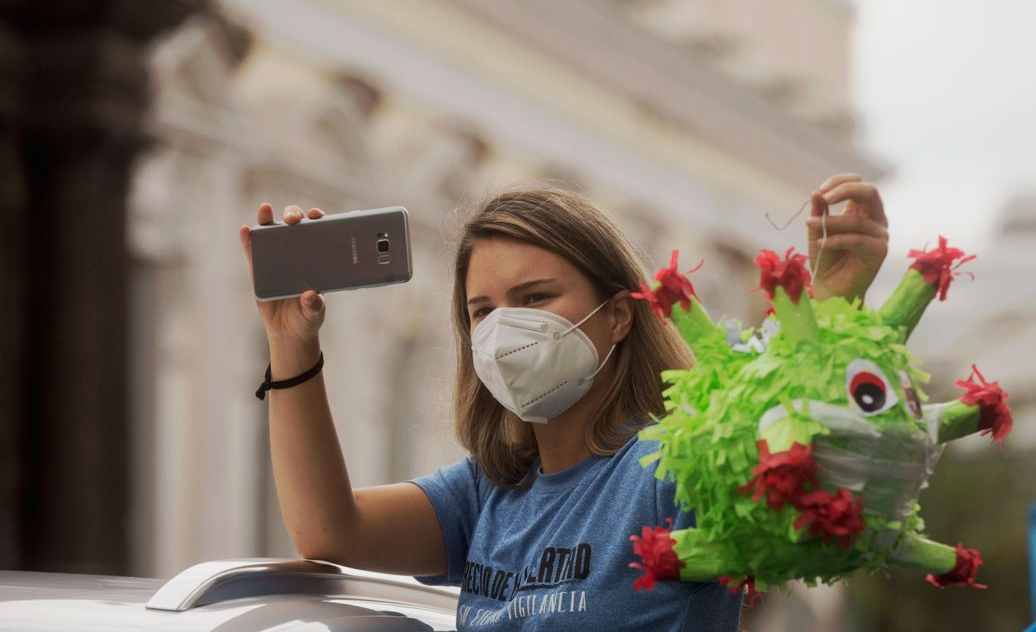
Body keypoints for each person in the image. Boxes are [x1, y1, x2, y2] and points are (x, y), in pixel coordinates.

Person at [237, 173, 889, 630]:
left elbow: (809, 464)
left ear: (618, 316)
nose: (503, 329)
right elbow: (328, 530)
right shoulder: (486, 492)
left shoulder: (675, 463)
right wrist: (290, 342)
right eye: (482, 310)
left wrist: (833, 309)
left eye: (535, 297)